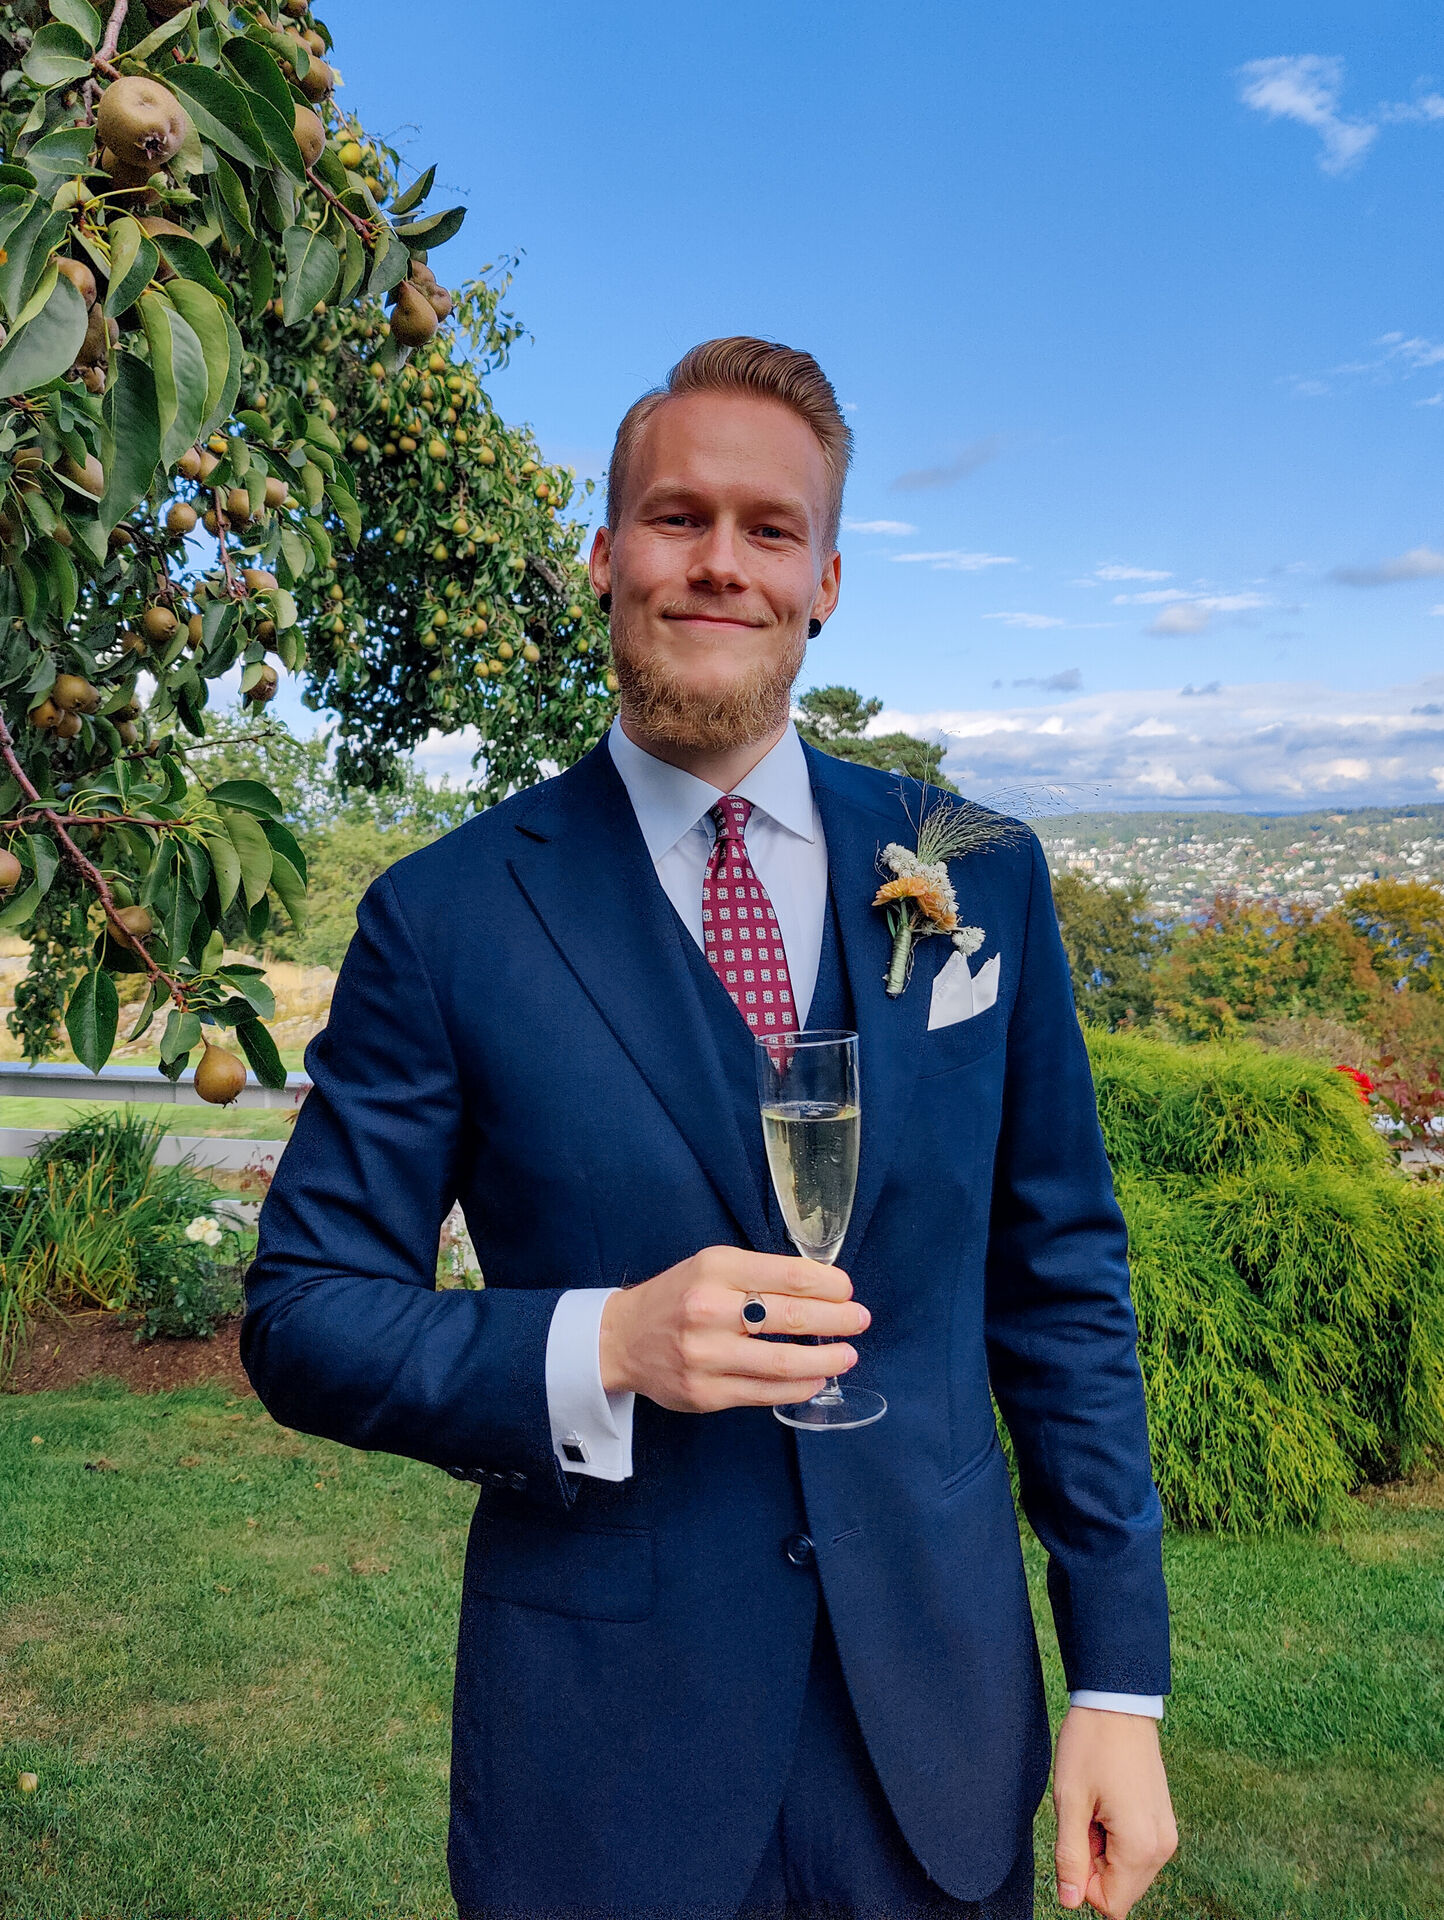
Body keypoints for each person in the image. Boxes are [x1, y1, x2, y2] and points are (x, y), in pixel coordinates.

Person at [241, 336, 1178, 1920]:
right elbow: (305, 1315)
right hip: (604, 1763)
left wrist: (1120, 1686)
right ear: (605, 557)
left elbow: (1062, 1286)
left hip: (941, 1737)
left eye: (767, 531)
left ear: (826, 581)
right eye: (678, 520)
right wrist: (599, 1343)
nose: (719, 564)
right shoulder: (448, 915)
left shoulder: (979, 870)